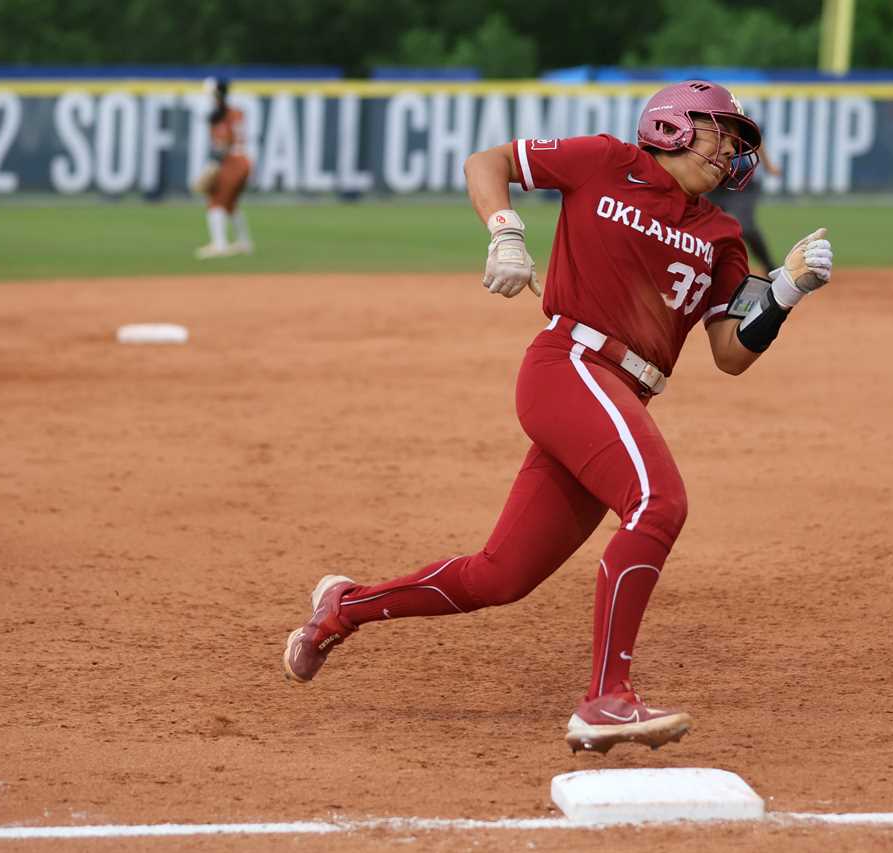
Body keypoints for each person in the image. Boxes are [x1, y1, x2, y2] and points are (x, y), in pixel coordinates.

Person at [282, 80, 834, 753]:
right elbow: (488, 163)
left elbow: (729, 355)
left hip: (620, 396)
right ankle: (607, 698)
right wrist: (505, 234)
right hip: (567, 365)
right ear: (671, 124)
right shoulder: (606, 161)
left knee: (500, 575)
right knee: (657, 502)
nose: (730, 152)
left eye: (738, 142)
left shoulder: (720, 235)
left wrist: (784, 292)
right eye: (720, 132)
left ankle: (344, 606)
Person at [193, 77, 253, 259]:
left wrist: (212, 167)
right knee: (230, 204)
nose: (210, 98)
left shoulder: (221, 116)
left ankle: (220, 245)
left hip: (232, 161)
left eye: (211, 95)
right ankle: (244, 243)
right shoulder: (235, 112)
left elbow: (224, 144)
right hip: (244, 160)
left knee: (216, 201)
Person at [706, 147, 780, 275]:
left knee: (745, 227)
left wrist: (768, 165)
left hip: (741, 179)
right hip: (713, 179)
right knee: (706, 226)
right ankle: (710, 270)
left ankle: (769, 267)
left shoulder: (735, 127)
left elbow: (757, 141)